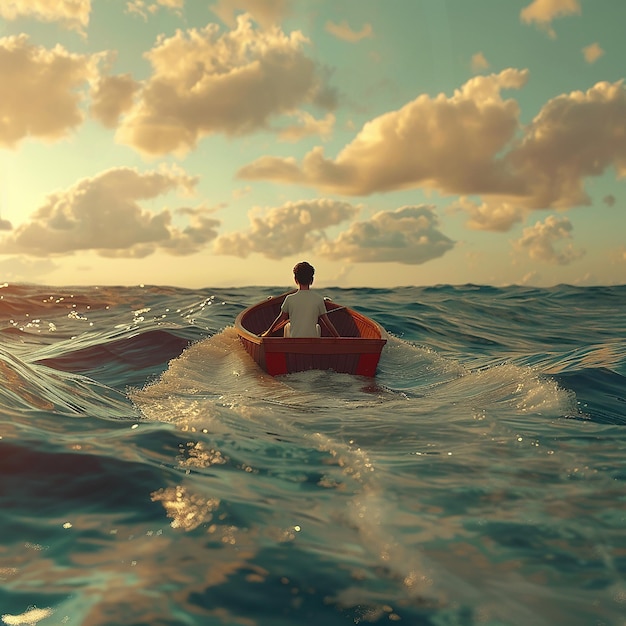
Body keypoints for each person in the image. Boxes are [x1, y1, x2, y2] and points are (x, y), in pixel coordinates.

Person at [262, 262, 340, 338]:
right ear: (312, 280)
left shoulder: (289, 299)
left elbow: (280, 319)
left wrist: (268, 333)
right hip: (312, 343)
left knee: (287, 326)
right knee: (317, 327)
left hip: (294, 342)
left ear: (296, 280)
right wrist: (338, 337)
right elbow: (327, 322)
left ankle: (287, 349)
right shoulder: (318, 299)